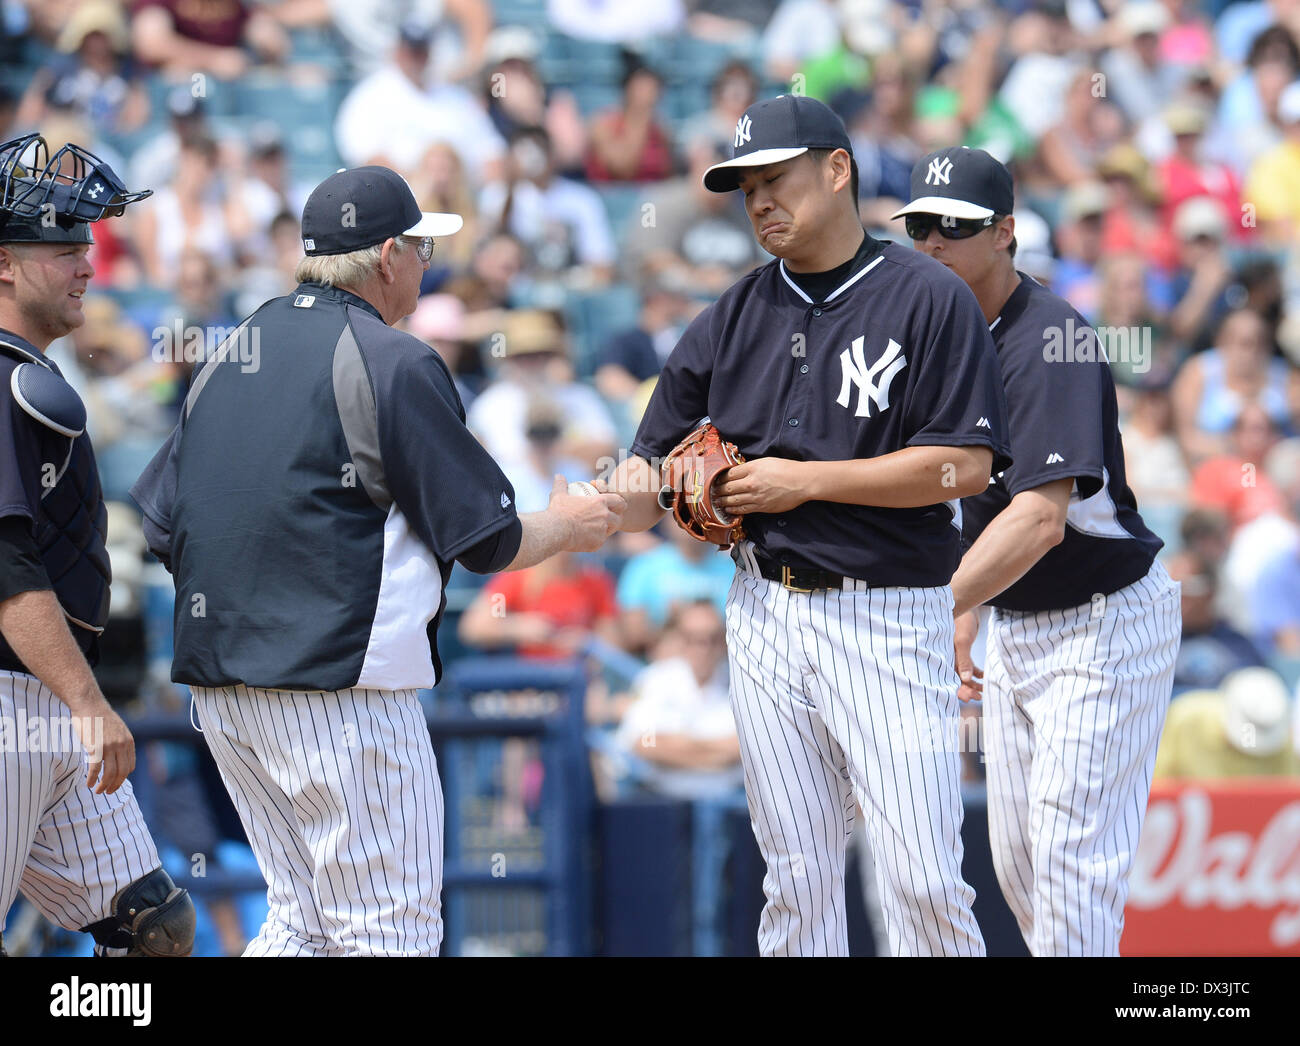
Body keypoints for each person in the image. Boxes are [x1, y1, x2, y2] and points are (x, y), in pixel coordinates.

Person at [129, 165, 626, 956]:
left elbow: (158, 521)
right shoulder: (394, 358)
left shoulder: (232, 351)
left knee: (302, 922)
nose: (429, 264)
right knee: (387, 931)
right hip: (341, 695)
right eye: (424, 247)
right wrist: (568, 524)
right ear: (388, 254)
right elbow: (488, 539)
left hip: (222, 693)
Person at [605, 96, 1010, 957]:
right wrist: (603, 505)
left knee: (923, 878)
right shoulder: (733, 313)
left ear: (837, 169)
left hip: (889, 612)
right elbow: (650, 461)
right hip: (763, 610)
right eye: (745, 187)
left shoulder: (928, 297)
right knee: (795, 877)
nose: (758, 202)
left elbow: (964, 468)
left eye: (775, 179)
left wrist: (807, 483)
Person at [900, 146, 1183, 957]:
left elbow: (1037, 520)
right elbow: (959, 491)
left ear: (1005, 234)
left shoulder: (1051, 337)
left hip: (1104, 625)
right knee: (1021, 869)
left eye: (954, 227)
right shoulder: (940, 340)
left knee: (1068, 869)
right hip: (1016, 624)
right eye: (921, 226)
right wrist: (969, 611)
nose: (934, 243)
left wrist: (939, 601)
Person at [0, 134, 194, 958]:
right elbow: (6, 568)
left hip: (41, 699)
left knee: (152, 927)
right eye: (62, 244)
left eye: (87, 242)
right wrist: (87, 704)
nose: (86, 261)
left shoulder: (28, 374)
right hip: (13, 699)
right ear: (5, 263)